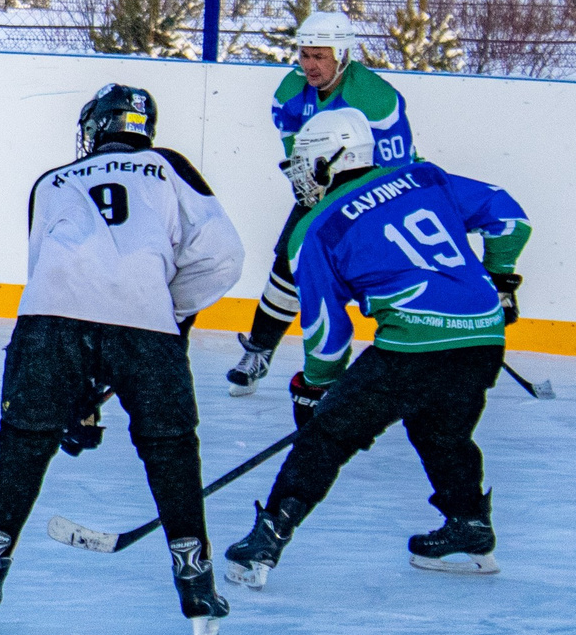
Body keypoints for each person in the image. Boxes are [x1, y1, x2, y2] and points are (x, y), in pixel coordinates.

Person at [0, 84, 245, 635]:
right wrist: (168, 305)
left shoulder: (52, 181)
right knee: (171, 448)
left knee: (23, 440)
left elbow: (46, 272)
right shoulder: (170, 167)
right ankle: (196, 584)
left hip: (48, 323)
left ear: (96, 127)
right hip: (144, 326)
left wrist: (75, 396)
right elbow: (223, 255)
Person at [224, 108, 529, 588]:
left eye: (305, 161)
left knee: (327, 437)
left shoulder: (315, 228)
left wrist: (315, 388)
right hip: (483, 338)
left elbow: (329, 331)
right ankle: (469, 523)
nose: (301, 174)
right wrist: (501, 276)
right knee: (440, 431)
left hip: (412, 347)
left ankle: (267, 537)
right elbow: (509, 216)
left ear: (333, 158)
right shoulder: (424, 177)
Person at [225, 11, 418, 394]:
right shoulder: (290, 92)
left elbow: (397, 170)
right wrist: (309, 192)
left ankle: (414, 356)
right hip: (327, 183)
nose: (309, 65)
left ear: (343, 54)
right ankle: (259, 350)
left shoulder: (376, 99)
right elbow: (300, 161)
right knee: (288, 261)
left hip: (377, 189)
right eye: (305, 54)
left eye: (320, 56)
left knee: (395, 269)